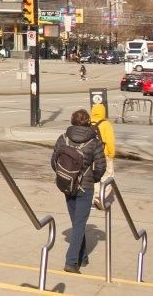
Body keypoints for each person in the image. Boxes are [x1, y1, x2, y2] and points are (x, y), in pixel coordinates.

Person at [51, 108, 107, 273]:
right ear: (88, 122)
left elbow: (54, 161)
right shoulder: (94, 142)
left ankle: (82, 257)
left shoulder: (63, 138)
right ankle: (71, 261)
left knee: (77, 223)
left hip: (67, 185)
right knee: (79, 224)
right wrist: (93, 178)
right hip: (85, 187)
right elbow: (101, 166)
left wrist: (64, 175)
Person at [91, 103, 116, 210]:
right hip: (103, 154)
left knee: (94, 176)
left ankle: (94, 198)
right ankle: (101, 198)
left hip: (91, 155)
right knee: (108, 176)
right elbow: (110, 141)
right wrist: (111, 154)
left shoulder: (88, 122)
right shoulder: (106, 124)